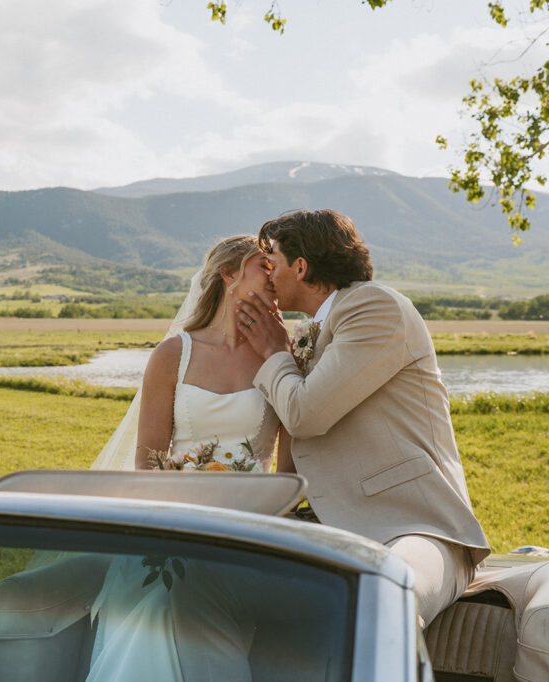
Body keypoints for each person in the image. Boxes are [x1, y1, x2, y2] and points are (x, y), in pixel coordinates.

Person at [235, 209, 491, 628]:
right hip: (335, 528)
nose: (268, 276)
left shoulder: (374, 307)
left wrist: (273, 352)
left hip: (415, 528)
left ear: (301, 267)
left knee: (390, 603)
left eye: (273, 262)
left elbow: (305, 414)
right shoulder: (311, 332)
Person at [84, 234, 291, 682]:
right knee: (161, 607)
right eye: (264, 265)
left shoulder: (282, 358)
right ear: (229, 274)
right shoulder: (172, 356)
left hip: (250, 537)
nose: (276, 274)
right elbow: (148, 462)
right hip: (171, 532)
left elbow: (287, 471)